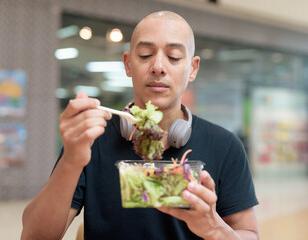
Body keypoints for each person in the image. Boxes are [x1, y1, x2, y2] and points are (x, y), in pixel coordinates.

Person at [21, 10, 259, 240]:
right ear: (128, 64)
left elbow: (248, 233)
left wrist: (216, 229)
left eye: (174, 57)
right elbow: (34, 237)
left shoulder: (225, 146)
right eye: (145, 54)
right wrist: (72, 160)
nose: (158, 66)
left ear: (193, 68)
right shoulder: (91, 140)